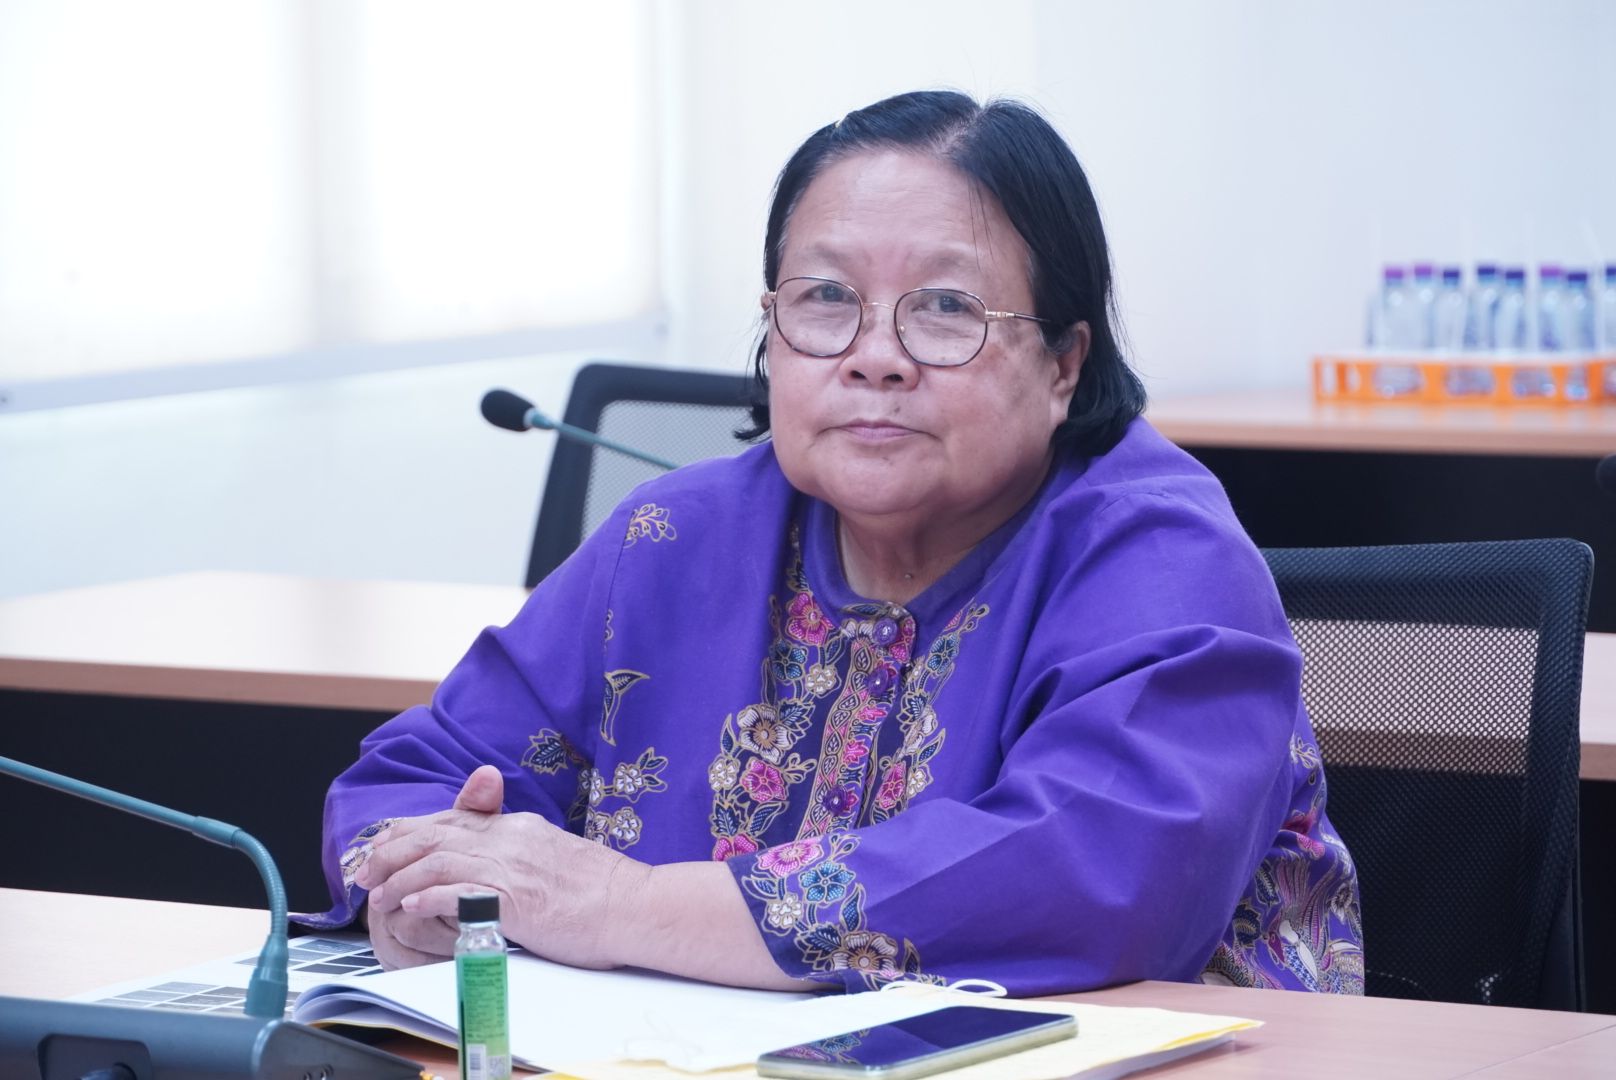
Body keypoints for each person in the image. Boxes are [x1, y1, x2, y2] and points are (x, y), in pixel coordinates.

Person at [306, 90, 1363, 997]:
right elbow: (423, 772)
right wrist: (429, 893)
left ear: (1063, 362)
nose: (874, 357)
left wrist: (620, 906)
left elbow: (1093, 874)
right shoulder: (673, 536)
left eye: (943, 308)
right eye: (824, 300)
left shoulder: (1160, 556)